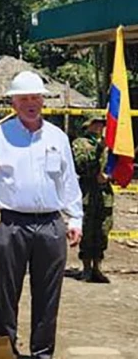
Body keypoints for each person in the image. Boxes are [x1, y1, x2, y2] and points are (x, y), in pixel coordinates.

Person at [0, 70, 83, 359]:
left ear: (43, 100)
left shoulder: (57, 137)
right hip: (10, 223)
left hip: (51, 224)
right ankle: (7, 351)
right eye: (24, 98)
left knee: (48, 295)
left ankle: (42, 353)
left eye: (35, 98)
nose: (31, 103)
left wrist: (75, 218)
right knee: (6, 292)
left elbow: (69, 181)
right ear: (13, 104)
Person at [72, 117, 113, 283]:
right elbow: (79, 164)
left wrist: (110, 176)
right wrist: (98, 152)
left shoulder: (110, 143)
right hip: (88, 191)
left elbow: (116, 164)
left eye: (102, 124)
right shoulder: (80, 143)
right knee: (87, 229)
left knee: (103, 230)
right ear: (87, 125)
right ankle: (87, 267)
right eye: (95, 123)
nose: (99, 126)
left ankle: (98, 267)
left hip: (104, 193)